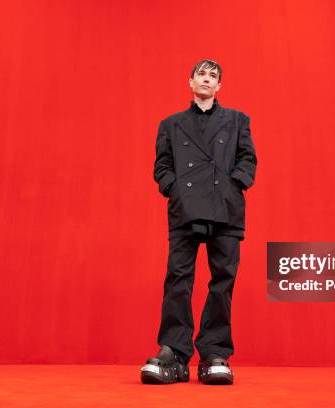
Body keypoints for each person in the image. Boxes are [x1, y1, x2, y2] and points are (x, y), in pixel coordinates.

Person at [141, 59, 257, 385]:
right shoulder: (171, 124)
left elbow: (247, 158)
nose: (207, 80)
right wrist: (173, 189)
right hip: (185, 209)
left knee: (223, 281)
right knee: (178, 279)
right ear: (190, 81)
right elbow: (162, 165)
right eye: (202, 74)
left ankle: (214, 353)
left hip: (225, 207)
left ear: (219, 87)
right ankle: (173, 353)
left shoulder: (237, 121)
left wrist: (235, 186)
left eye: (213, 76)